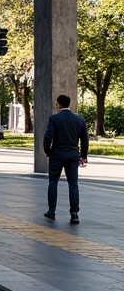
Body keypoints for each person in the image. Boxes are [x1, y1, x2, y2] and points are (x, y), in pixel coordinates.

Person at [42, 94, 89, 224]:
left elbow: (47, 138)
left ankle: (51, 210)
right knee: (73, 184)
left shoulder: (54, 119)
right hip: (73, 155)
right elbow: (85, 140)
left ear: (57, 105)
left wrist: (48, 151)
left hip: (57, 154)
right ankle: (74, 214)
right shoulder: (79, 120)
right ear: (69, 104)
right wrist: (83, 156)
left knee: (53, 182)